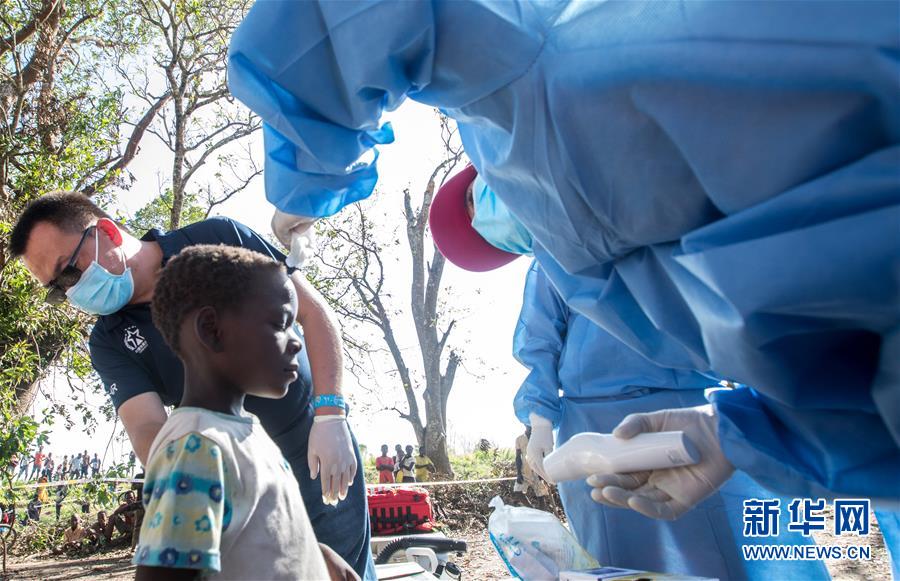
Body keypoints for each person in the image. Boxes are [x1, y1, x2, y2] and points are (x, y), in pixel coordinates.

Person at [229, 0, 899, 508]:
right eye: (495, 240)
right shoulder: (609, 266)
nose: (505, 227)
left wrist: (303, 180)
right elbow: (847, 344)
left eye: (480, 212)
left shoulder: (549, 80)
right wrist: (744, 432)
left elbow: (352, 21)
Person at [9, 192, 375, 579]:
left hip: (316, 447)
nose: (71, 292)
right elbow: (146, 427)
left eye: (68, 271)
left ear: (107, 232)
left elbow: (312, 312)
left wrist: (330, 414)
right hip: (235, 470)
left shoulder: (216, 240)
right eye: (58, 289)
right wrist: (194, 479)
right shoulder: (109, 340)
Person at [514, 261, 832, 578]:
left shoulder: (674, 232)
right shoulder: (555, 254)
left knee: (735, 539)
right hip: (594, 422)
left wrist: (762, 405)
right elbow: (541, 339)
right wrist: (539, 420)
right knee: (624, 554)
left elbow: (732, 312)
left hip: (697, 409)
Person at [132, 244, 355, 580]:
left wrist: (315, 555)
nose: (295, 341)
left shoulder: (245, 430)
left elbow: (256, 532)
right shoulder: (196, 448)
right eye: (281, 323)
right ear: (212, 329)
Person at [513, 426, 550, 511]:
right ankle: (533, 511)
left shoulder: (538, 439)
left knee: (540, 496)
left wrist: (543, 472)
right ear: (525, 425)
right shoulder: (519, 439)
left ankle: (542, 517)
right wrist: (518, 473)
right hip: (525, 471)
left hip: (538, 470)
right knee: (518, 491)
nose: (529, 426)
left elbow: (543, 456)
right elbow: (518, 457)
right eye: (527, 424)